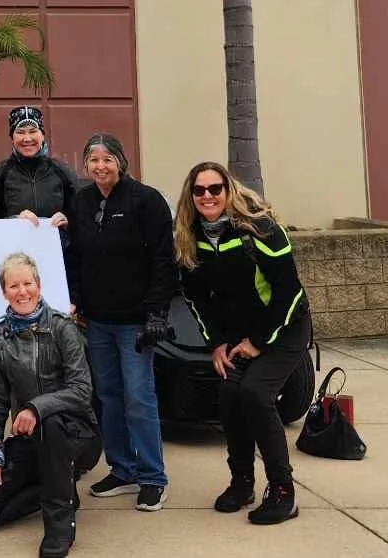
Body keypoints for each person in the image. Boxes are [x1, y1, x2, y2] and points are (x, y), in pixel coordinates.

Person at [175, 161, 312, 526]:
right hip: (238, 337)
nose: (207, 196)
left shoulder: (260, 229)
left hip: (285, 328)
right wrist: (216, 344)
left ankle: (283, 491)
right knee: (229, 396)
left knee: (254, 393)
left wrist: (259, 341)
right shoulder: (191, 237)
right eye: (199, 190)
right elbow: (196, 299)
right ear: (190, 196)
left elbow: (288, 292)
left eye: (215, 189)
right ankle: (241, 482)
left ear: (228, 190)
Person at [62, 133, 174, 512]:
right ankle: (122, 469)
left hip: (135, 322)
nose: (100, 166)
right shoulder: (81, 201)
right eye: (93, 160)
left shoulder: (147, 200)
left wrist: (157, 311)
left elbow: (163, 259)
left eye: (107, 159)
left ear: (121, 162)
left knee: (139, 398)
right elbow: (74, 256)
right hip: (97, 321)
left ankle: (153, 477)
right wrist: (74, 299)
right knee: (108, 397)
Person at [0, 252, 101, 558]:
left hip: (76, 434)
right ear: (4, 292)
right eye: (14, 286)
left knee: (51, 423)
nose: (22, 291)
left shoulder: (62, 329)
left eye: (27, 283)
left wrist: (36, 408)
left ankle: (59, 526)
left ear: (39, 286)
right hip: (30, 440)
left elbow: (82, 390)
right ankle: (63, 489)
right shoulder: (0, 337)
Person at [0, 106, 82, 223]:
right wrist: (15, 220)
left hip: (57, 240)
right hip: (13, 241)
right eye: (20, 132)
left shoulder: (63, 172)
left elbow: (82, 215)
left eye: (33, 131)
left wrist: (67, 219)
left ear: (42, 136)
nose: (27, 139)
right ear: (12, 138)